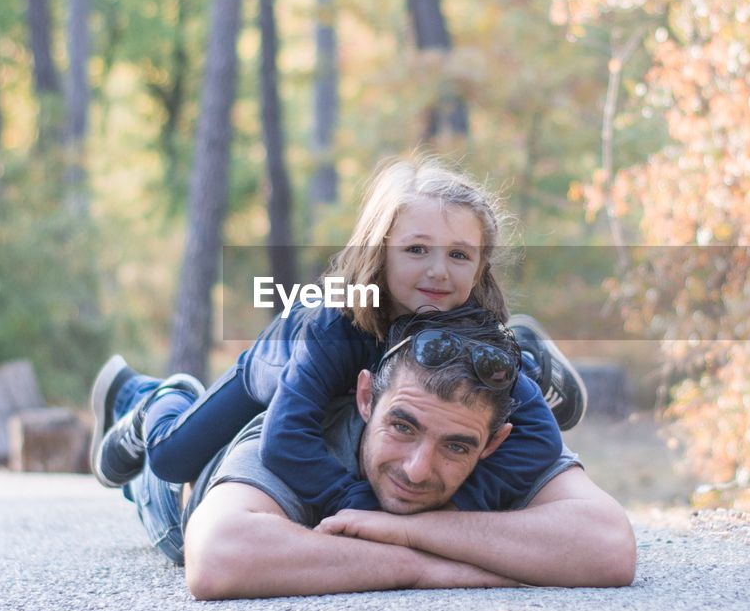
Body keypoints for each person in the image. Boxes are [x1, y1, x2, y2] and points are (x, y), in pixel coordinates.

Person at [90, 156, 588, 518]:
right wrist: (361, 505)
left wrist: (459, 505)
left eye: (459, 256)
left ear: (480, 267)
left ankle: (521, 360)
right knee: (171, 460)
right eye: (417, 249)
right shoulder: (334, 323)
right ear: (380, 251)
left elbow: (541, 443)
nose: (439, 272)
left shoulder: (464, 325)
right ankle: (152, 400)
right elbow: (285, 441)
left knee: (491, 374)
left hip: (420, 366)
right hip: (270, 372)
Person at [92, 307, 636, 599]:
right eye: (402, 426)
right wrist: (429, 569)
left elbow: (608, 544)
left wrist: (408, 530)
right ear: (365, 398)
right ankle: (152, 398)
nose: (417, 469)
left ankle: (519, 362)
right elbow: (219, 557)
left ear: (492, 443)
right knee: (165, 450)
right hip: (175, 494)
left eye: (456, 448)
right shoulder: (296, 435)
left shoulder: (494, 428)